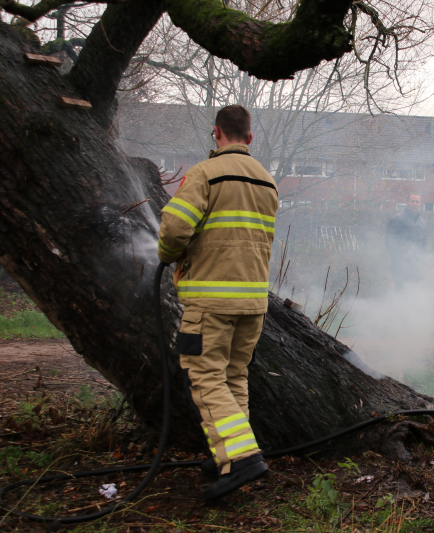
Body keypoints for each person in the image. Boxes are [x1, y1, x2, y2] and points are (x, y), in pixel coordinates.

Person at [157, 105, 278, 500]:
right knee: (233, 377)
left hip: (211, 300)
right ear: (250, 138)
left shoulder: (205, 174)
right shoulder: (267, 181)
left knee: (206, 377)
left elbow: (174, 228)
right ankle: (227, 455)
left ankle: (242, 458)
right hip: (254, 303)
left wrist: (166, 254)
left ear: (216, 133)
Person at [385, 192, 427, 289]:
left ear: (420, 204)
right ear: (407, 203)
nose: (415, 204)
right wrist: (399, 260)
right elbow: (390, 242)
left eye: (417, 202)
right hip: (400, 265)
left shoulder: (422, 222)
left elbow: (425, 242)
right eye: (412, 201)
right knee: (401, 290)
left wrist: (424, 258)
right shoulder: (397, 219)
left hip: (416, 264)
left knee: (414, 290)